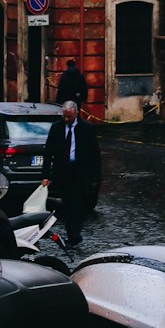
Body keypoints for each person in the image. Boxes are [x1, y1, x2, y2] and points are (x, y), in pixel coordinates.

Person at [42, 100, 101, 246]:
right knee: (67, 204)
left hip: (80, 171)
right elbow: (48, 152)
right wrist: (45, 175)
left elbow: (95, 154)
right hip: (63, 171)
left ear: (76, 113)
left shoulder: (87, 129)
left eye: (69, 116)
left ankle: (75, 233)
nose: (66, 119)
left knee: (77, 203)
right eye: (64, 116)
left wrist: (96, 177)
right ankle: (72, 233)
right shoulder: (56, 128)